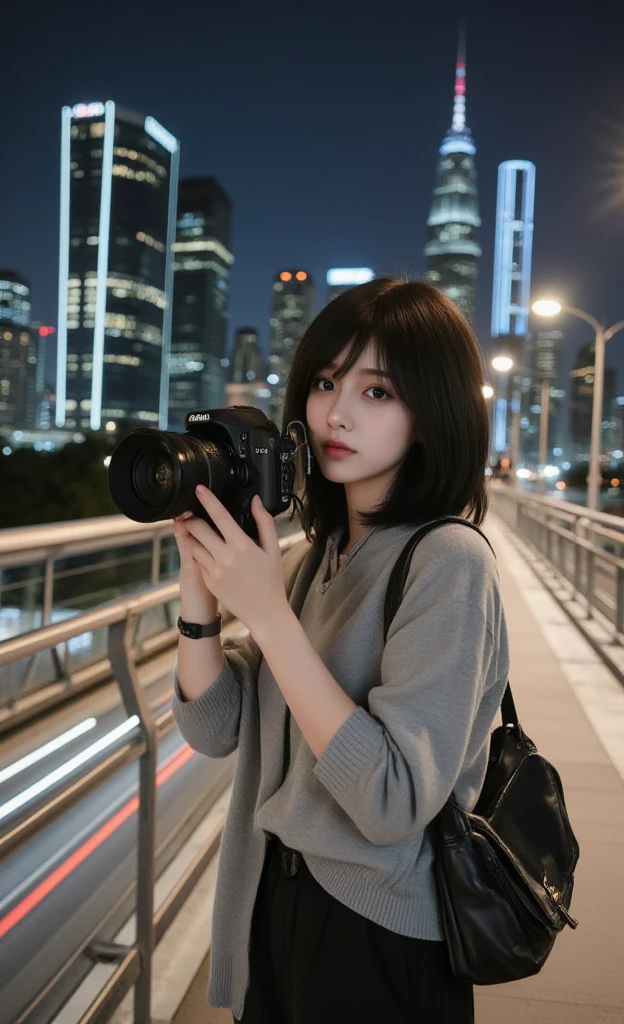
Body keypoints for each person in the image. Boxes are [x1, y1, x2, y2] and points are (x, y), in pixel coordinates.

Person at [172, 277, 510, 1023]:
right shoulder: (317, 559)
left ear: (432, 413)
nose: (337, 412)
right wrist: (200, 587)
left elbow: (391, 799)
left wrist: (267, 616)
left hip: (377, 933)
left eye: (378, 391)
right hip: (269, 902)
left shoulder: (449, 561)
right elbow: (214, 728)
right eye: (326, 382)